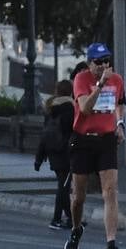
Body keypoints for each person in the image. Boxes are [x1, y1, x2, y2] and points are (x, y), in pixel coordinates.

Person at [66, 42, 126, 249]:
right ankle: (75, 227)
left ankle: (111, 244)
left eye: (106, 61)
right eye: (99, 62)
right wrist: (100, 85)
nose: (104, 66)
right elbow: (84, 108)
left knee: (110, 191)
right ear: (90, 63)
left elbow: (120, 104)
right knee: (78, 197)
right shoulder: (81, 80)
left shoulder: (117, 80)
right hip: (83, 139)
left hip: (106, 139)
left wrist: (120, 123)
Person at [34, 80, 75, 230]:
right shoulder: (71, 108)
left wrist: (39, 158)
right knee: (64, 186)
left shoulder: (50, 108)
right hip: (65, 152)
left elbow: (45, 134)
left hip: (52, 151)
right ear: (71, 91)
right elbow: (73, 132)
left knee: (62, 184)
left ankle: (69, 218)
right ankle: (58, 218)